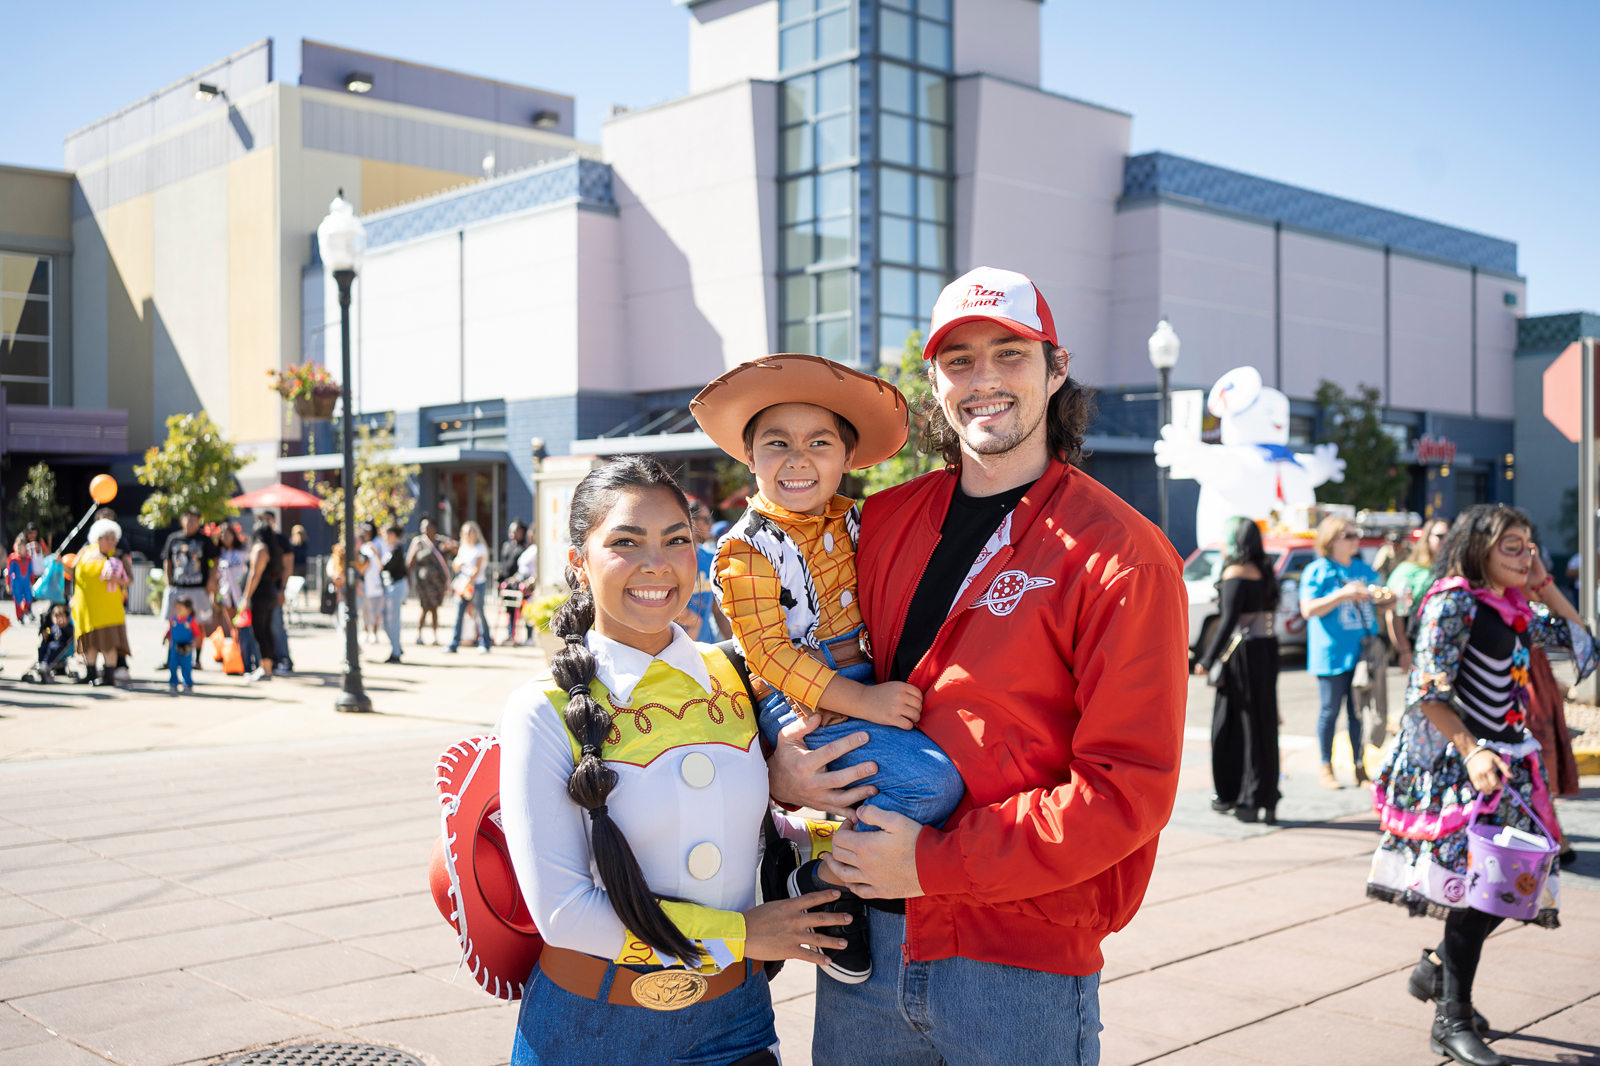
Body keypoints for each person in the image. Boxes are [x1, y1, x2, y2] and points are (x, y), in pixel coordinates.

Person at [768, 266, 1187, 1065]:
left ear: (1056, 370)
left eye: (1009, 354)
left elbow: (1126, 790)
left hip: (1015, 958)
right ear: (933, 378)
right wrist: (782, 765)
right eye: (959, 360)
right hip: (864, 939)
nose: (983, 379)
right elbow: (796, 657)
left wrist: (933, 864)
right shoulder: (882, 521)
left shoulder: (1124, 557)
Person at [496, 456, 849, 1066]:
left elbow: (750, 828)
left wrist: (839, 841)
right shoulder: (541, 711)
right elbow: (564, 914)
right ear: (579, 562)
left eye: (677, 539)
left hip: (733, 1024)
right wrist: (744, 934)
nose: (655, 563)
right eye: (626, 542)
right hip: (590, 1031)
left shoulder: (740, 673)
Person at [693, 354, 962, 985]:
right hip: (800, 698)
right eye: (776, 444)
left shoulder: (857, 519)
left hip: (865, 679)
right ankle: (825, 877)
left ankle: (832, 867)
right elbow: (768, 653)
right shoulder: (744, 549)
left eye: (819, 443)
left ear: (845, 458)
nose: (797, 460)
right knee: (934, 787)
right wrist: (862, 702)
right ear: (749, 458)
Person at [1369, 504, 1593, 1066]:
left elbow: (1579, 638)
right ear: (1479, 551)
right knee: (1479, 896)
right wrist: (1471, 753)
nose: (1526, 557)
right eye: (1512, 548)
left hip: (1511, 764)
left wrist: (1541, 583)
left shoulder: (1516, 607)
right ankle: (1452, 1019)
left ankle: (1437, 972)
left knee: (1509, 888)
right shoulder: (1454, 602)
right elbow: (1427, 690)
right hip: (1461, 768)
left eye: (1530, 546)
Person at [1195, 516, 1282, 823]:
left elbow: (1228, 620)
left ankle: (1235, 796)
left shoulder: (1235, 571)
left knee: (1230, 725)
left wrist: (1206, 659)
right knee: (1263, 724)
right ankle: (1265, 797)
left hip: (1242, 654)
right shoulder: (1265, 569)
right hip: (1266, 649)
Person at [1300, 515, 1393, 790]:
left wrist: (1389, 598)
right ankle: (1325, 767)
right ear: (1331, 540)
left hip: (1362, 654)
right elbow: (1308, 610)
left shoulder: (1363, 569)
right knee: (1330, 711)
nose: (1356, 540)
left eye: (1356, 535)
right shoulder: (1317, 570)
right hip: (1330, 654)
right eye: (1349, 536)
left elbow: (1381, 601)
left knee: (1358, 713)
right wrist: (1342, 594)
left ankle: (1359, 767)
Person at [71, 519, 132, 687]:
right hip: (87, 607)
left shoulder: (119, 555)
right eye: (108, 538)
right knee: (89, 643)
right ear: (98, 538)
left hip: (108, 609)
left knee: (108, 643)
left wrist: (118, 579)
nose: (112, 541)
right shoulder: (85, 551)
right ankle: (90, 673)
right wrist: (59, 563)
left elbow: (130, 579)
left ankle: (108, 677)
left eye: (114, 538)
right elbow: (73, 570)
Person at [1387, 517, 1451, 665]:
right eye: (1440, 536)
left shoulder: (1458, 570)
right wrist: (1404, 650)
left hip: (1449, 647)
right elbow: (1394, 613)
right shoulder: (1408, 569)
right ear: (1427, 538)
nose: (1446, 540)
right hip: (1419, 645)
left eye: (1450, 535)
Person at [161, 507, 217, 639]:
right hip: (178, 587)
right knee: (174, 621)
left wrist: (212, 581)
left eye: (194, 520)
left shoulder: (204, 540)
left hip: (198, 588)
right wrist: (168, 582)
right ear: (182, 520)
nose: (191, 523)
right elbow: (167, 562)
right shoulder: (173, 539)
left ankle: (197, 657)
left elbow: (216, 560)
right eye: (188, 519)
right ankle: (172, 653)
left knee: (199, 623)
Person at [241, 516, 283, 681]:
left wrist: (246, 596)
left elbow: (254, 574)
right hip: (269, 593)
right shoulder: (272, 549)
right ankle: (267, 667)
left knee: (260, 631)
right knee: (265, 631)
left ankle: (264, 668)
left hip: (260, 596)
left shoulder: (259, 548)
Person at [686, 498, 730, 642]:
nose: (711, 524)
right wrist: (693, 622)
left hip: (707, 647)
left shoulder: (712, 558)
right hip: (676, 648)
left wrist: (736, 644)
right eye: (706, 520)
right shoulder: (672, 560)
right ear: (691, 521)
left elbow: (716, 609)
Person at [406, 518, 452, 645]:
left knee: (435, 608)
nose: (424, 530)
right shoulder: (418, 542)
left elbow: (456, 547)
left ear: (433, 528)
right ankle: (419, 635)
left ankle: (435, 635)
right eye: (422, 527)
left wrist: (449, 546)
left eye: (427, 527)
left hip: (438, 583)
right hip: (424, 582)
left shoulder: (440, 541)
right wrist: (409, 580)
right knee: (425, 607)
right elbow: (410, 562)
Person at [448, 520, 491, 653]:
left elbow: (477, 568)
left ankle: (485, 642)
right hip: (463, 584)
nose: (467, 535)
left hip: (476, 585)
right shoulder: (463, 547)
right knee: (459, 614)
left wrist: (469, 581)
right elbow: (455, 566)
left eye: (470, 532)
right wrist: (458, 564)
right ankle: (454, 643)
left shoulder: (480, 548)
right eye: (465, 532)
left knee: (479, 613)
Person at [379, 523, 409, 664]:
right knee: (387, 619)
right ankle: (396, 646)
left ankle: (396, 650)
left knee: (392, 619)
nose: (384, 537)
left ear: (392, 534)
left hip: (396, 586)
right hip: (392, 585)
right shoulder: (392, 548)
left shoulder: (396, 549)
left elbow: (387, 566)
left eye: (386, 534)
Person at [498, 520, 527, 644]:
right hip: (505, 583)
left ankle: (520, 635)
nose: (512, 534)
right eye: (511, 531)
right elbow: (503, 564)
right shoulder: (507, 546)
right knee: (508, 610)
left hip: (516, 583)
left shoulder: (524, 547)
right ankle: (510, 634)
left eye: (515, 531)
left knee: (518, 610)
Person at [357, 524, 385, 645]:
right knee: (364, 610)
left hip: (376, 584)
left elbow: (381, 565)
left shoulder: (376, 545)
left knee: (375, 610)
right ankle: (365, 631)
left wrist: (376, 552)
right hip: (364, 585)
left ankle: (374, 632)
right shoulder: (361, 548)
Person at [164, 597, 198, 695]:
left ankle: (188, 683)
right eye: (176, 607)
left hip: (186, 648)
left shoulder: (191, 621)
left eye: (180, 608)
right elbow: (170, 631)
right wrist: (166, 637)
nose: (178, 610)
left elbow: (197, 634)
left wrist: (194, 643)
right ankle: (173, 683)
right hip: (175, 647)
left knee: (186, 667)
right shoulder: (173, 619)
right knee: (173, 665)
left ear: (188, 610)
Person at [36, 603, 73, 678]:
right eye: (56, 617)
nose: (59, 620)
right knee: (43, 647)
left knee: (53, 647)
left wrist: (63, 627)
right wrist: (46, 637)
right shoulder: (54, 628)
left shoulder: (68, 628)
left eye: (61, 617)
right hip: (53, 645)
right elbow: (50, 637)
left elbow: (69, 636)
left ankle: (46, 663)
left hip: (61, 647)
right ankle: (41, 663)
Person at [7, 535, 34, 621]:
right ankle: (19, 617)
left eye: (21, 547)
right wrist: (8, 584)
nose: (19, 549)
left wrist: (32, 582)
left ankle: (24, 610)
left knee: (28, 599)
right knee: (17, 599)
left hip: (26, 581)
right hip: (17, 582)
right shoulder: (13, 558)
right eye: (18, 547)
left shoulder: (28, 558)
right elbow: (9, 572)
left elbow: (31, 572)